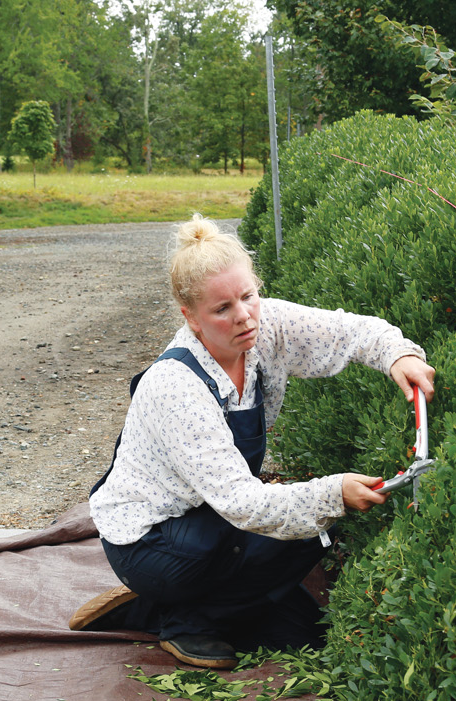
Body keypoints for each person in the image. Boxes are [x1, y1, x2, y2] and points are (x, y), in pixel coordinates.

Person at [72, 215, 436, 668]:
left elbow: (350, 332)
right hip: (151, 537)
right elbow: (243, 504)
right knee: (259, 532)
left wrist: (397, 354)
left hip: (209, 509)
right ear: (192, 318)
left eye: (248, 296)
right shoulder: (176, 386)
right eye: (222, 309)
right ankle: (177, 614)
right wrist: (331, 491)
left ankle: (193, 605)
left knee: (311, 546)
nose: (243, 315)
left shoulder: (265, 328)